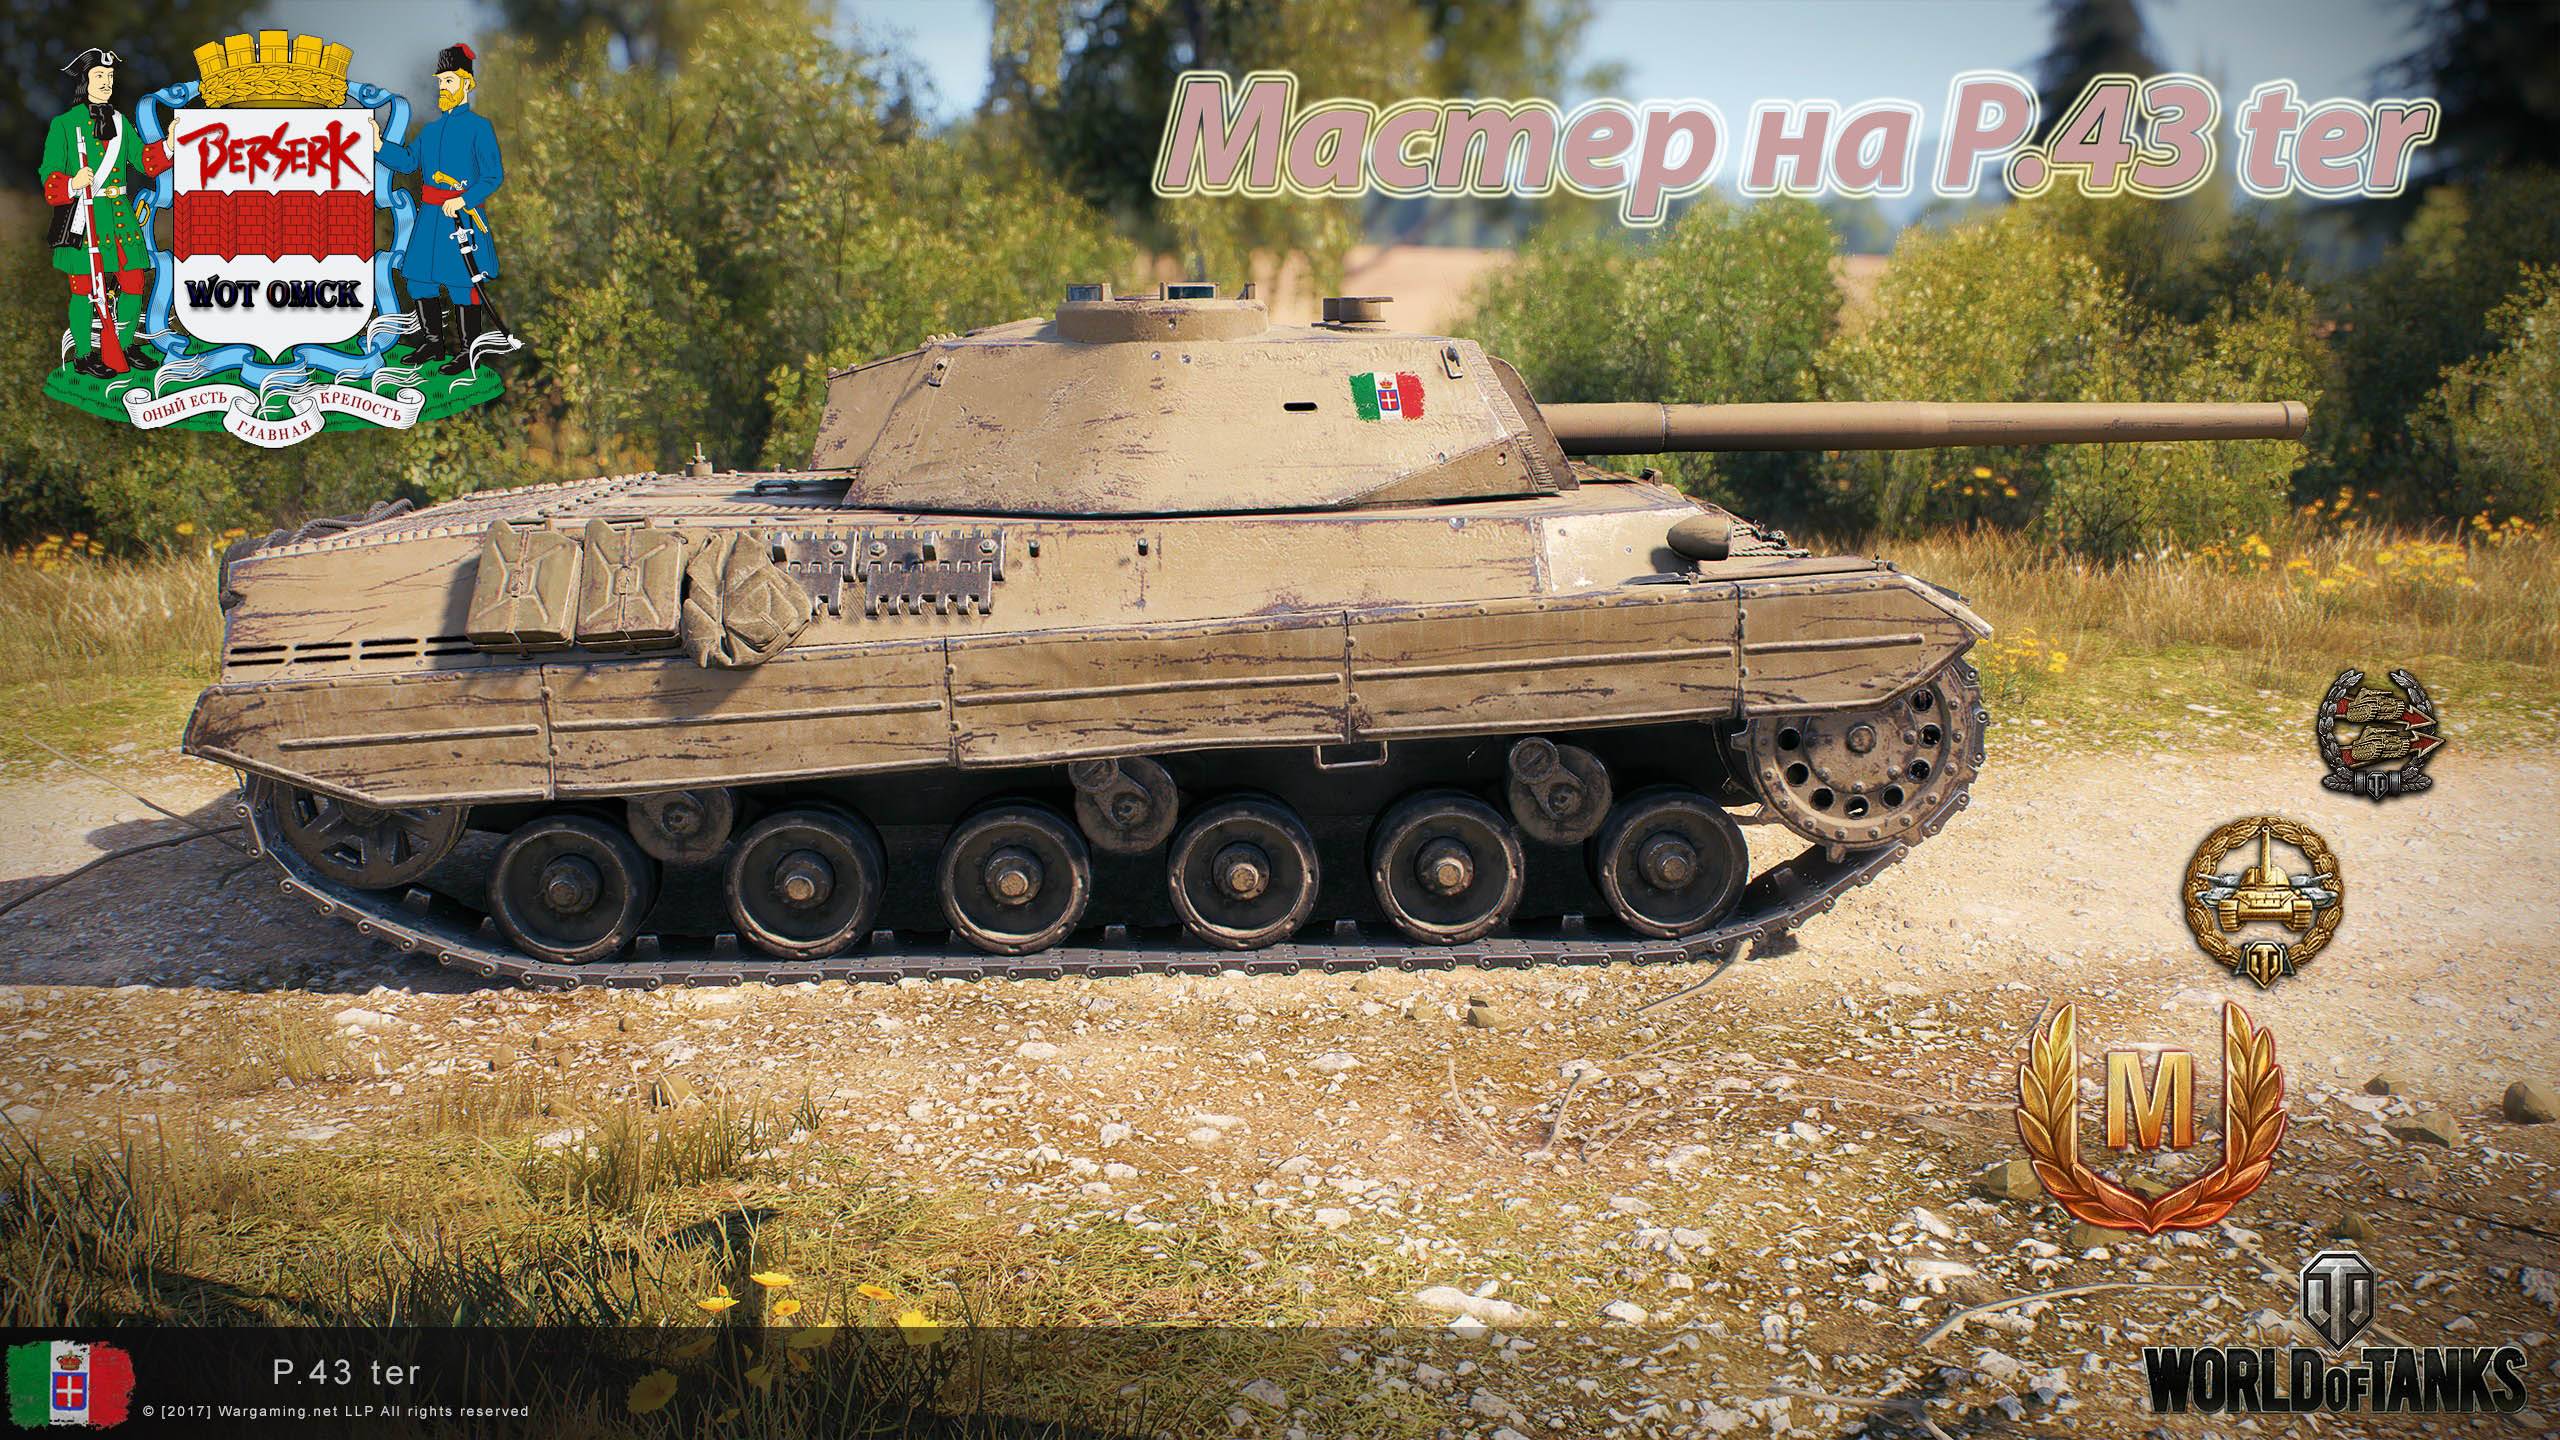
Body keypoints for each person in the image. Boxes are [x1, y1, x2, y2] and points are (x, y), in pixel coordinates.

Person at [40, 47, 172, 378]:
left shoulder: (120, 123)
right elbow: (49, 177)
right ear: (84, 81)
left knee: (134, 281)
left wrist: (169, 144)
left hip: (120, 217)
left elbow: (145, 162)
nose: (106, 82)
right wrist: (72, 182)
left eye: (110, 76)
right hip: (85, 218)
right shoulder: (64, 125)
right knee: (84, 290)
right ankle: (84, 355)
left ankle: (123, 346)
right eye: (99, 75)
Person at [376, 42, 504, 370]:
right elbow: (408, 161)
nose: (443, 87)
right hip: (431, 216)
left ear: (467, 83)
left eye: (449, 80)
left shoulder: (479, 128)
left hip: (461, 216)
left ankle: (469, 351)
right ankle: (433, 344)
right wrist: (379, 145)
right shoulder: (432, 131)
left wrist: (464, 199)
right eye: (441, 81)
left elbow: (493, 176)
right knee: (419, 279)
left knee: (464, 283)